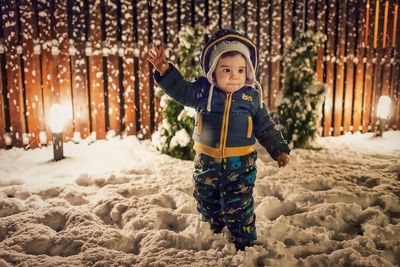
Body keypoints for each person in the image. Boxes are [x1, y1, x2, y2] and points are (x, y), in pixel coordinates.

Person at [147, 29, 290, 251]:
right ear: (213, 71)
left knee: (239, 205)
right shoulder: (203, 92)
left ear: (248, 71)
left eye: (240, 70)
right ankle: (213, 233)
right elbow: (182, 91)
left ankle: (244, 243)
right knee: (207, 200)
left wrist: (279, 149)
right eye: (227, 69)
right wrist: (165, 71)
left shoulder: (251, 97)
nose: (234, 75)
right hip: (206, 163)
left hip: (239, 165)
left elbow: (265, 126)